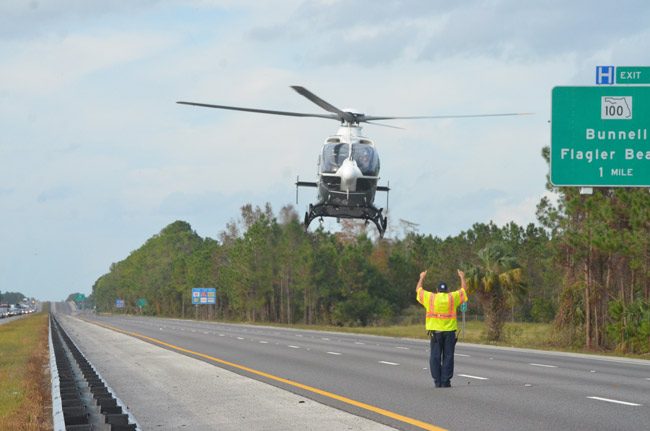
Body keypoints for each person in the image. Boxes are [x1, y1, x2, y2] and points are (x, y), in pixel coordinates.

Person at [416, 269, 468, 388]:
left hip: (435, 332)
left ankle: (437, 381)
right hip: (449, 332)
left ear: (437, 290)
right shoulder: (452, 297)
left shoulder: (431, 298)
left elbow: (418, 290)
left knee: (435, 356)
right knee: (448, 356)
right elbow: (464, 290)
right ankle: (446, 381)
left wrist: (422, 277)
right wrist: (462, 277)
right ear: (447, 290)